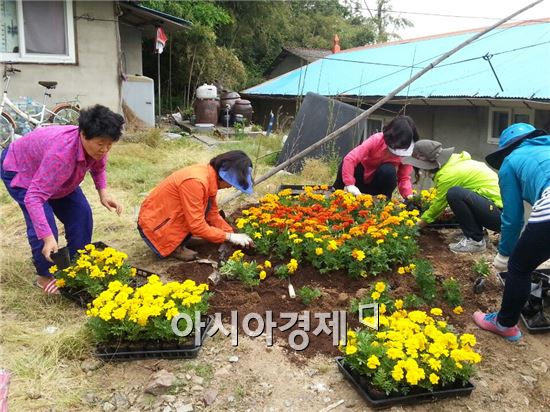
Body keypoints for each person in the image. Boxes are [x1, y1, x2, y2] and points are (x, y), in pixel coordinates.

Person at [1, 105, 124, 294]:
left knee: (81, 214)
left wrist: (103, 192)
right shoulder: (61, 155)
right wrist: (48, 237)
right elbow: (34, 198)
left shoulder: (97, 149)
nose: (105, 149)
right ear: (83, 134)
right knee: (44, 226)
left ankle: (76, 265)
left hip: (55, 176)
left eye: (110, 144)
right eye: (101, 143)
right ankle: (44, 275)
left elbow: (99, 167)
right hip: (21, 169)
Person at [473, 123, 550, 341]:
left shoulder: (510, 162)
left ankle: (505, 323)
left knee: (519, 266)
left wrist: (504, 254)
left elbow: (513, 217)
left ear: (507, 149)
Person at [138, 150, 254, 260]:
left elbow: (212, 213)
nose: (231, 186)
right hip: (155, 227)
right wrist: (228, 237)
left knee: (206, 211)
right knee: (198, 232)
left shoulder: (209, 176)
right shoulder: (196, 182)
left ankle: (181, 238)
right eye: (233, 183)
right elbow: (197, 226)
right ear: (225, 176)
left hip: (168, 218)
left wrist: (231, 233)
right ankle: (173, 245)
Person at [402, 140, 502, 253]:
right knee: (456, 195)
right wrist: (451, 210)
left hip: (500, 216)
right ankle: (478, 234)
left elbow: (437, 206)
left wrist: (416, 226)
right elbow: (473, 195)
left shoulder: (448, 174)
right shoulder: (453, 161)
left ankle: (475, 241)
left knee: (454, 194)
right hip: (498, 211)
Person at [333, 115, 418, 199]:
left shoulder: (407, 153)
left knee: (388, 170)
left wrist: (408, 195)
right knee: (346, 162)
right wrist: (350, 184)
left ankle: (383, 201)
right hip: (359, 179)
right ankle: (335, 194)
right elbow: (350, 159)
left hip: (376, 186)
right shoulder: (376, 140)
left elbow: (404, 177)